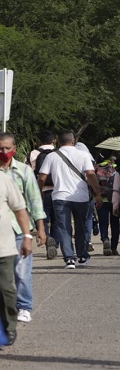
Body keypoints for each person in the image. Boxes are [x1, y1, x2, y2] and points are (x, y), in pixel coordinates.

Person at [37, 132, 102, 269]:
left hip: (60, 196)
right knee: (81, 226)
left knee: (64, 228)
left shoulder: (51, 156)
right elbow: (90, 174)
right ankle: (83, 255)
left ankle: (69, 259)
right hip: (81, 197)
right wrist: (97, 193)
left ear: (58, 141)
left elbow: (42, 177)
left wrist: (39, 192)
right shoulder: (83, 155)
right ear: (73, 141)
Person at [0, 133, 46, 324]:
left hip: (19, 229)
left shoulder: (23, 171)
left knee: (21, 271)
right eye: (0, 149)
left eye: (7, 148)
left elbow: (34, 200)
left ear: (14, 149)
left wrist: (40, 228)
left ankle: (24, 306)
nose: (4, 152)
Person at [0, 168, 32, 346]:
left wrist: (27, 237)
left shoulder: (3, 179)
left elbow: (20, 210)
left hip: (3, 246)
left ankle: (9, 326)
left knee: (5, 289)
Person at [27, 130, 58, 260]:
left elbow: (27, 173)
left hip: (40, 190)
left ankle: (47, 239)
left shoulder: (33, 154)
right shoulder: (59, 153)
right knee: (57, 220)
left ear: (38, 141)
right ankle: (55, 243)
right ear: (54, 140)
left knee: (43, 218)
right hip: (58, 192)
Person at [95, 155, 119, 256]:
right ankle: (114, 247)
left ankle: (105, 239)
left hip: (102, 198)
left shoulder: (98, 168)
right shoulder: (117, 167)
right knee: (115, 223)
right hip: (115, 199)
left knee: (103, 222)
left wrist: (96, 195)